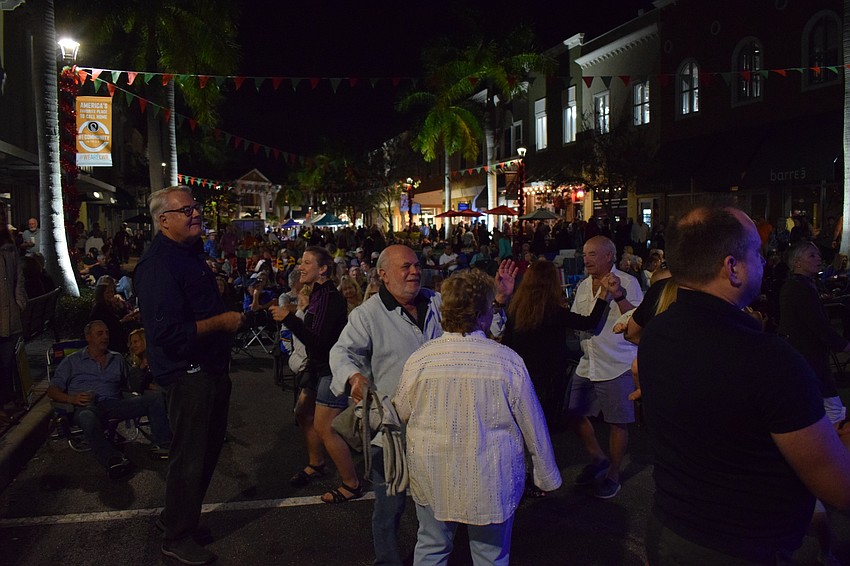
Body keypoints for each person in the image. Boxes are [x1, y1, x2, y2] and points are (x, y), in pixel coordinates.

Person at [639, 205, 850, 565]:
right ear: (732, 267)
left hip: (669, 531)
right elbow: (836, 486)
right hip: (740, 548)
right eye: (758, 252)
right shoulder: (768, 359)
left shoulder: (658, 332)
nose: (766, 262)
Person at [330, 244, 516, 565]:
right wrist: (353, 377)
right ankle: (388, 561)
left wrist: (497, 301)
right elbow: (341, 352)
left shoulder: (436, 301)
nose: (415, 271)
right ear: (383, 275)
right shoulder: (368, 315)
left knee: (437, 505)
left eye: (416, 265)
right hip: (392, 430)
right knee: (390, 508)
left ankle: (433, 553)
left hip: (438, 432)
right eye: (405, 267)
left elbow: (483, 330)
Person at [395, 269, 561, 565]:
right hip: (490, 477)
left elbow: (401, 411)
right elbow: (533, 425)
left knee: (432, 547)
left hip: (434, 474)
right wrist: (546, 476)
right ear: (484, 312)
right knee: (490, 555)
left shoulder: (421, 358)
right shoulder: (506, 360)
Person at [135, 186, 245, 565]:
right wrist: (222, 321)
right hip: (188, 375)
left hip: (210, 369)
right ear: (163, 220)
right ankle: (177, 537)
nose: (195, 214)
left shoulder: (188, 253)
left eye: (195, 208)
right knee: (190, 457)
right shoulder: (158, 265)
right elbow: (167, 334)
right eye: (186, 210)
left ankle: (179, 518)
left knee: (207, 451)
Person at [269, 246, 359, 504]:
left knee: (324, 427)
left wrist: (290, 318)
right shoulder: (317, 295)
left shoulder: (330, 298)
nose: (301, 266)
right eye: (301, 261)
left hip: (331, 368)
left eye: (307, 262)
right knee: (303, 413)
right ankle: (317, 463)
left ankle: (352, 484)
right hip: (316, 367)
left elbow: (318, 341)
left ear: (323, 270)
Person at [47, 321, 172, 478]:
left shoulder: (117, 358)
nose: (105, 337)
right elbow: (52, 390)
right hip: (86, 406)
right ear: (88, 337)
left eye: (106, 333)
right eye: (100, 334)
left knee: (154, 399)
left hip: (114, 404)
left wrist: (146, 370)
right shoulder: (73, 361)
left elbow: (133, 384)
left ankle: (164, 445)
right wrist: (72, 398)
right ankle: (113, 459)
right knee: (87, 417)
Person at [569, 235, 643, 499]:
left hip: (616, 362)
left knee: (617, 421)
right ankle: (598, 458)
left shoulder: (628, 282)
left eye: (592, 254)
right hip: (588, 362)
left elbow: (638, 320)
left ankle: (614, 473)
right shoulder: (582, 286)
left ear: (608, 256)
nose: (586, 259)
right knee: (574, 411)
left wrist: (619, 295)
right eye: (585, 254)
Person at [0, 204, 26, 424]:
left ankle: (8, 400)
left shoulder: (9, 245)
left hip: (10, 313)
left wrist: (19, 302)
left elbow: (18, 276)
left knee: (7, 361)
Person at [90, 275, 139, 354]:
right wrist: (122, 321)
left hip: (123, 341)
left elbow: (124, 314)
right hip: (111, 344)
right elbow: (107, 326)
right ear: (101, 293)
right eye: (107, 292)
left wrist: (122, 306)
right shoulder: (99, 308)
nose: (110, 295)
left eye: (112, 291)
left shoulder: (113, 304)